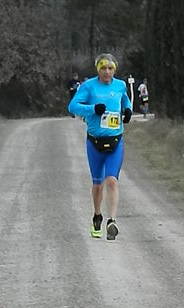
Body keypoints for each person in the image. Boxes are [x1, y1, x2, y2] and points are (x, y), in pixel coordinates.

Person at [68, 53, 132, 240]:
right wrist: (92, 109)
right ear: (98, 69)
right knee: (98, 184)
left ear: (114, 70)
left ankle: (112, 221)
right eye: (104, 68)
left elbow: (125, 99)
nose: (107, 72)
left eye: (111, 68)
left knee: (112, 180)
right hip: (95, 142)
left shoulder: (120, 85)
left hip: (115, 140)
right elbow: (72, 107)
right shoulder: (88, 87)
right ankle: (97, 216)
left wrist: (127, 110)